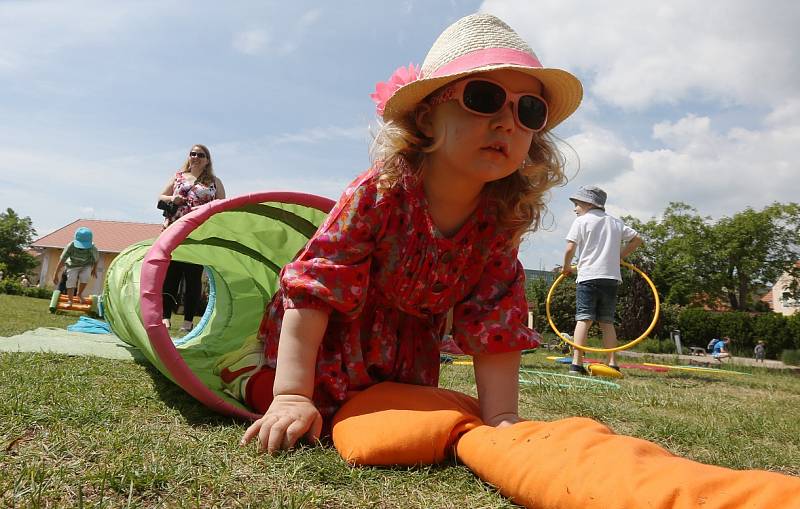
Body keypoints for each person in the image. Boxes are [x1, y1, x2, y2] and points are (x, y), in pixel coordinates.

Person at [215, 12, 584, 454]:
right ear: (427, 119)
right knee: (311, 410)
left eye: (528, 109)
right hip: (327, 332)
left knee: (394, 414)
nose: (507, 121)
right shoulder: (381, 192)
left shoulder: (500, 220)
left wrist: (501, 418)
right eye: (484, 97)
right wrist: (289, 394)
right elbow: (317, 288)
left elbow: (496, 319)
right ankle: (252, 372)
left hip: (403, 352)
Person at [561, 186, 642, 374]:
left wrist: (566, 267)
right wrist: (620, 257)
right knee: (607, 321)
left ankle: (577, 363)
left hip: (588, 276)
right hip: (611, 278)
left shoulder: (581, 222)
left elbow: (569, 249)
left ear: (589, 203)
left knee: (583, 319)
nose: (575, 208)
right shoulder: (615, 222)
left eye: (577, 204)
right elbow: (637, 239)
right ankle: (612, 362)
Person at [158, 144, 226, 332]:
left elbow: (223, 206)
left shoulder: (214, 181)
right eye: (192, 154)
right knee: (171, 276)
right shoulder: (178, 176)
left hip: (198, 233)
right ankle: (165, 316)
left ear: (207, 160)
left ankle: (188, 321)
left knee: (193, 278)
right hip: (174, 230)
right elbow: (161, 196)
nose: (195, 157)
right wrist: (173, 199)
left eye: (200, 155)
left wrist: (204, 209)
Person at [52, 227, 99, 306]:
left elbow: (96, 259)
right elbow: (62, 260)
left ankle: (79, 294)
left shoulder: (92, 248)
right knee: (71, 279)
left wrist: (94, 269)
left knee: (85, 277)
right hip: (72, 265)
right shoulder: (71, 246)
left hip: (86, 265)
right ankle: (70, 300)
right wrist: (55, 274)